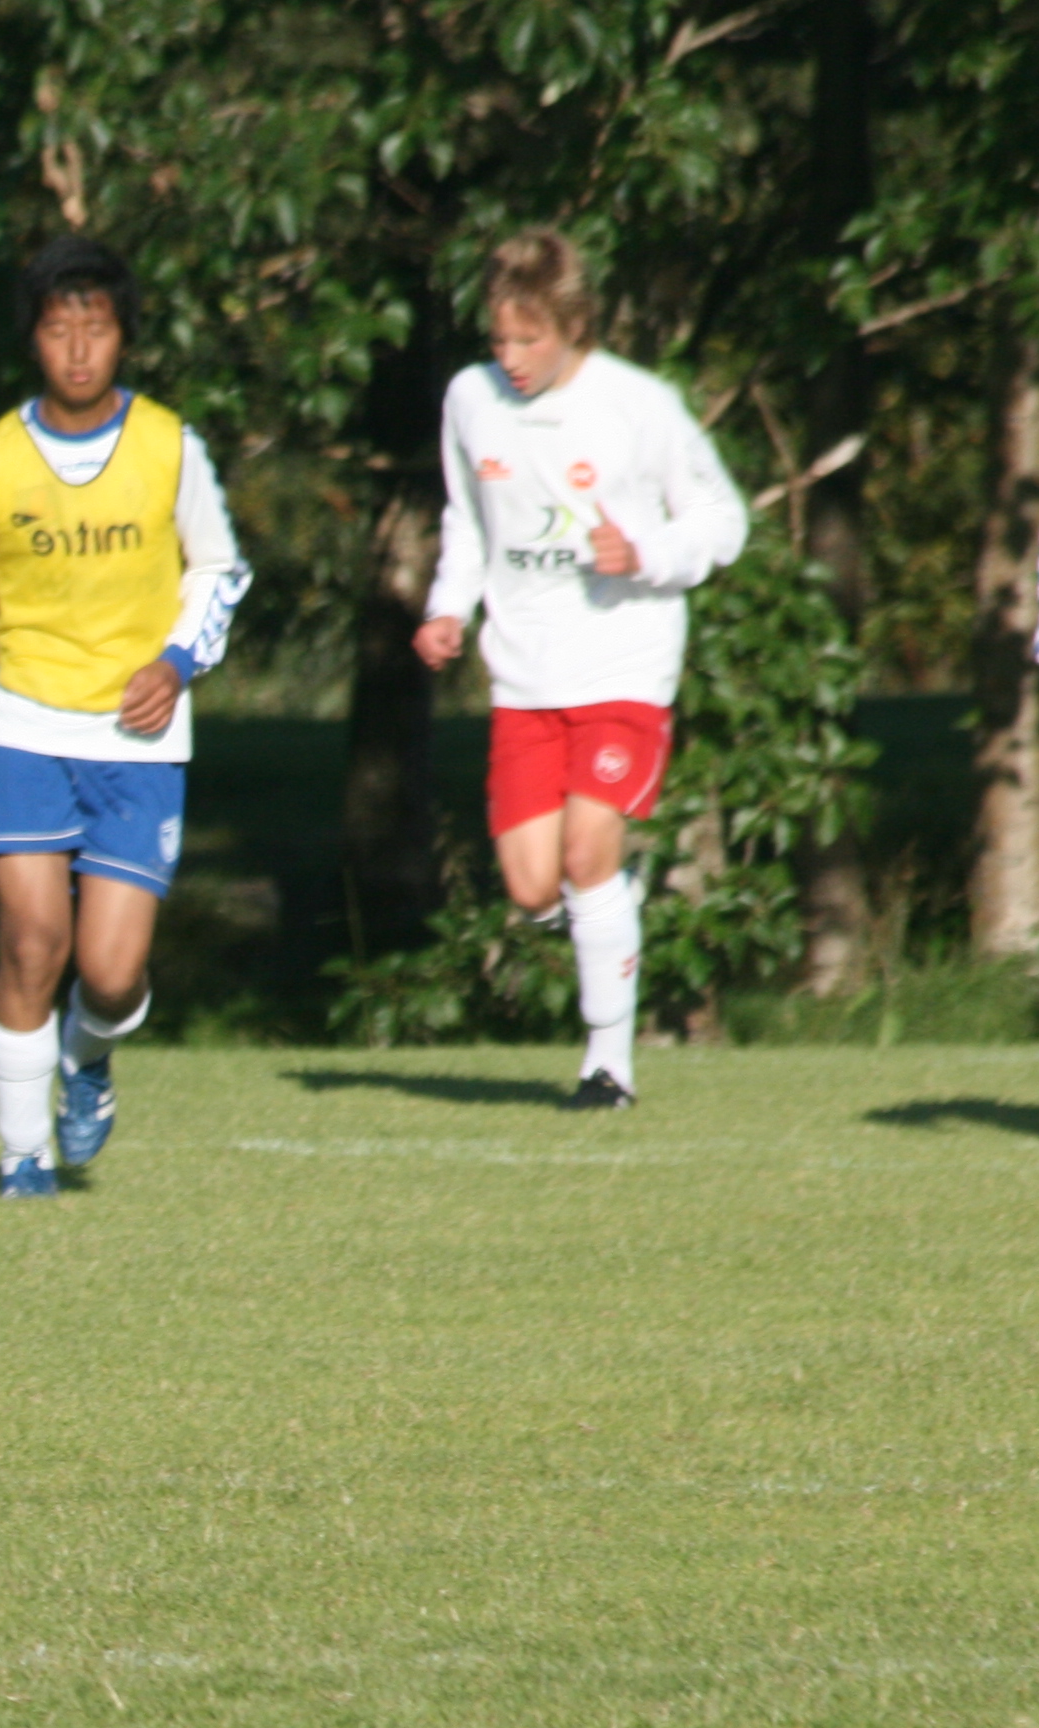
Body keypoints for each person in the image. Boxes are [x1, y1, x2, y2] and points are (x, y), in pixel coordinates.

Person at [0, 235, 248, 1196]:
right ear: (33, 340)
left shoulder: (169, 447)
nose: (78, 349)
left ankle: (87, 1054)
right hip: (26, 729)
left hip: (139, 741)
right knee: (32, 942)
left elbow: (219, 569)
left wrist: (178, 660)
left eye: (97, 328)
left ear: (123, 336)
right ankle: (23, 1157)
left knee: (112, 975)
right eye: (57, 329)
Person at [416, 229, 748, 1110]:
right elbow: (466, 522)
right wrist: (448, 609)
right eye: (499, 339)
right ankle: (609, 906)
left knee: (585, 853)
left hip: (624, 666)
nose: (511, 358)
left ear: (574, 325)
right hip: (525, 677)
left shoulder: (638, 404)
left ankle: (608, 1068)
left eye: (530, 339)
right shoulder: (470, 399)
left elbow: (722, 519)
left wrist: (644, 552)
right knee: (533, 888)